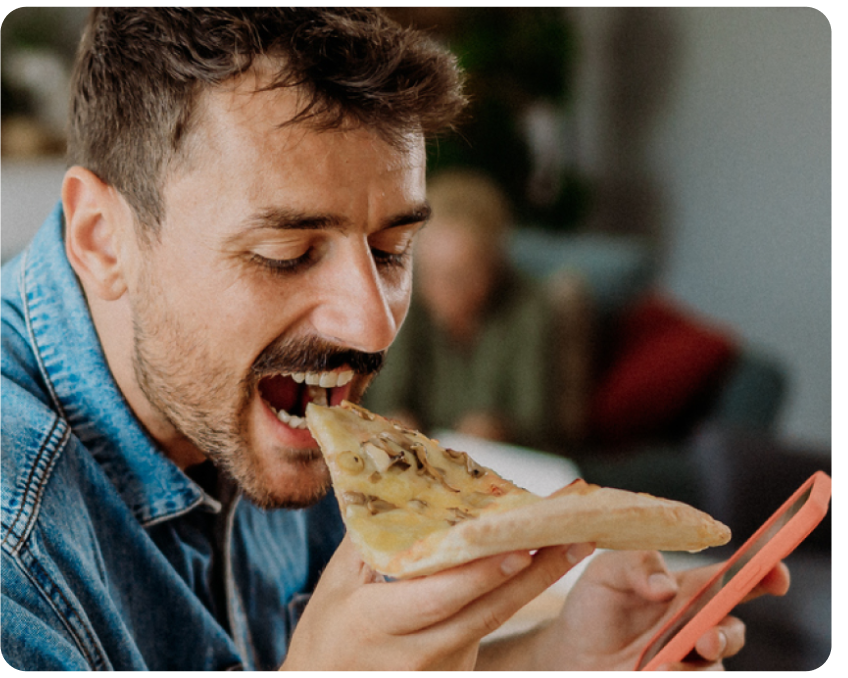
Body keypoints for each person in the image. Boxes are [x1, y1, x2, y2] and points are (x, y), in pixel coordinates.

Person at [1, 8, 788, 671]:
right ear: (104, 240)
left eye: (391, 251)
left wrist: (557, 656)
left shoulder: (281, 412)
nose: (373, 323)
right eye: (289, 254)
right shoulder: (15, 548)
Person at [364, 169, 563, 449]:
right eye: (429, 273)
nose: (439, 289)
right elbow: (386, 399)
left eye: (458, 277)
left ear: (494, 267)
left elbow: (537, 419)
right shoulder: (404, 298)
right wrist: (395, 422)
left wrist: (498, 430)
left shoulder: (530, 306)